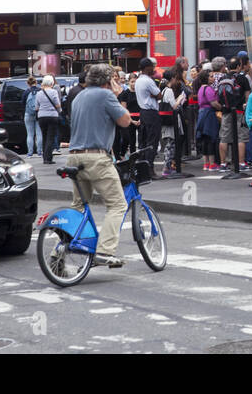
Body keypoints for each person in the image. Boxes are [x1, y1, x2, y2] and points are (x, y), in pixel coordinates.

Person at [65, 64, 134, 268]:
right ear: (108, 80)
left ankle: (59, 251)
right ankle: (105, 251)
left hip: (74, 157)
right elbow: (125, 121)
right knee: (117, 205)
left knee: (79, 206)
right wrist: (117, 94)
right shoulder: (106, 96)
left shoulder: (80, 96)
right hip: (96, 158)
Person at [134, 57, 163, 171]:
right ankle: (149, 168)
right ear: (147, 67)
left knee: (144, 141)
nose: (154, 69)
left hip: (143, 112)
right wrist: (154, 95)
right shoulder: (147, 80)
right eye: (152, 66)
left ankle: (144, 167)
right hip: (151, 112)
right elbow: (159, 95)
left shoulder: (139, 80)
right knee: (152, 141)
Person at [194, 67, 221, 171]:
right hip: (209, 114)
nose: (213, 78)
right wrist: (221, 107)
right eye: (211, 76)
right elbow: (213, 103)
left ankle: (206, 164)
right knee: (211, 138)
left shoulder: (201, 88)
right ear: (206, 78)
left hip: (202, 114)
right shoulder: (208, 89)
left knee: (205, 138)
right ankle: (212, 163)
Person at [35, 74, 64, 164]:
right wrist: (59, 111)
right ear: (51, 83)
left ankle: (44, 157)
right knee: (50, 137)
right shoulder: (54, 92)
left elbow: (36, 107)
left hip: (41, 117)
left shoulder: (39, 93)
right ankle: (48, 158)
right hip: (52, 116)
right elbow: (58, 104)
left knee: (44, 136)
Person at [22, 76, 40, 157]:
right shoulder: (40, 91)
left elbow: (22, 103)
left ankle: (30, 153)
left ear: (28, 84)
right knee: (39, 134)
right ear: (36, 82)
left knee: (30, 134)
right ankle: (40, 152)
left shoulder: (26, 92)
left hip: (28, 114)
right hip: (38, 113)